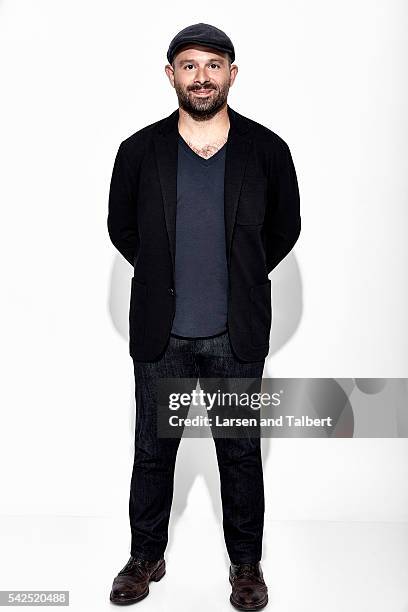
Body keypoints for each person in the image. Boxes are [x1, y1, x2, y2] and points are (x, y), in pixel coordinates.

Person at [107, 22, 301, 610]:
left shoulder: (267, 150)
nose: (201, 76)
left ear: (232, 75)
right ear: (171, 75)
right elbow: (122, 229)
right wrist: (167, 273)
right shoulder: (139, 150)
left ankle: (247, 568)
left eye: (213, 65)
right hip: (160, 336)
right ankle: (145, 557)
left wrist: (238, 277)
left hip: (234, 334)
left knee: (239, 455)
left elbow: (284, 230)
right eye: (189, 65)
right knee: (152, 451)